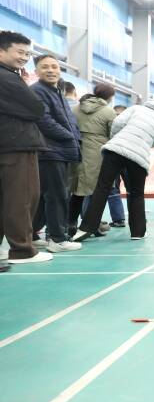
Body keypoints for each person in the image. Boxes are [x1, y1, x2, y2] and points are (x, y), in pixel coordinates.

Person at [73, 99, 154, 242]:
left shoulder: (137, 108)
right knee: (136, 193)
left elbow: (117, 123)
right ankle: (138, 232)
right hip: (139, 157)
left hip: (115, 149)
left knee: (102, 188)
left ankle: (86, 228)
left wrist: (117, 139)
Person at [0, 31, 52, 267]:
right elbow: (37, 108)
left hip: (8, 143)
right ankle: (22, 250)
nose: (24, 57)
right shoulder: (8, 78)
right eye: (20, 52)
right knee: (22, 198)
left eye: (27, 54)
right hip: (17, 144)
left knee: (6, 199)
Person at [30, 54, 82, 253]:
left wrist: (74, 137)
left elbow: (67, 119)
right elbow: (43, 120)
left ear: (60, 70)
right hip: (51, 150)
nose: (50, 70)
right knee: (57, 195)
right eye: (45, 67)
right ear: (36, 71)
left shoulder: (56, 91)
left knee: (46, 196)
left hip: (59, 150)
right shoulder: (38, 90)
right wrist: (69, 136)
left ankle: (31, 234)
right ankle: (57, 239)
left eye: (54, 66)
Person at [68, 84, 117, 233]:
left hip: (76, 150)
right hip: (98, 154)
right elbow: (113, 134)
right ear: (110, 97)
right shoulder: (109, 112)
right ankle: (91, 226)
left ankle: (70, 224)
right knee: (97, 191)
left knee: (77, 190)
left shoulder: (76, 108)